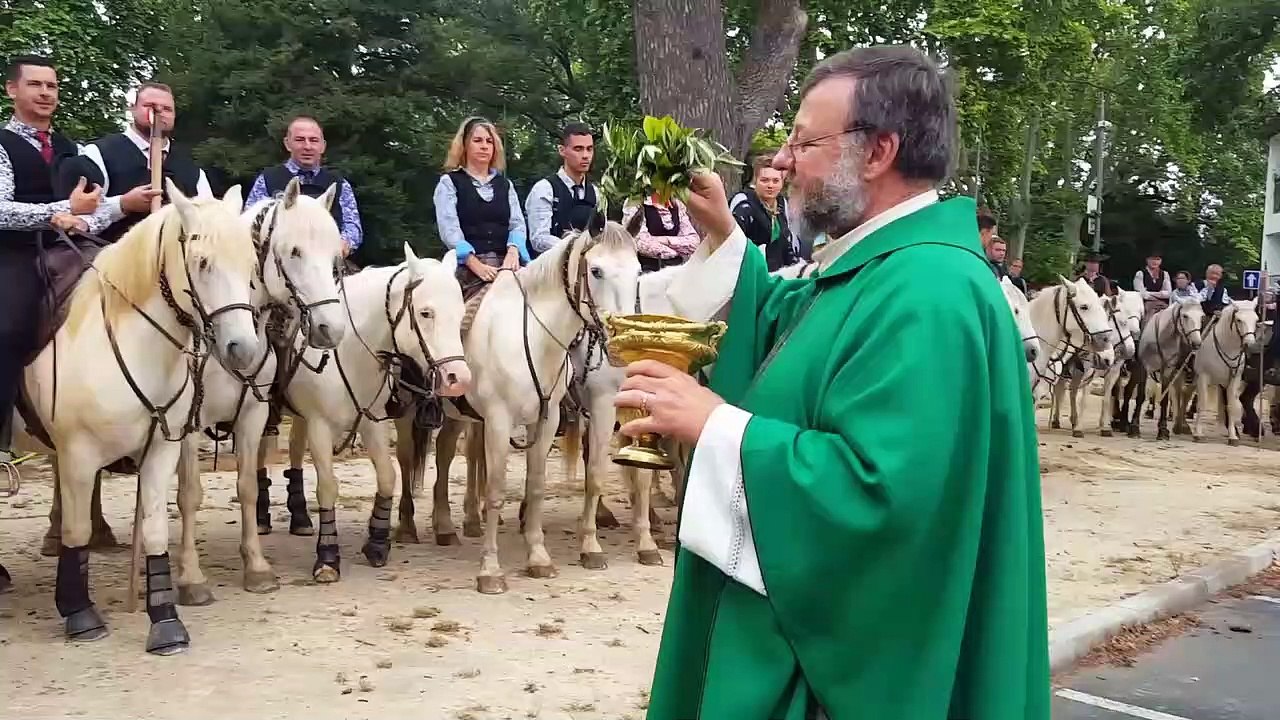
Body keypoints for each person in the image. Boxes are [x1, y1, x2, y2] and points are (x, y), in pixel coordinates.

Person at [618, 45, 1047, 719]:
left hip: (843, 680)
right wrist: (724, 234)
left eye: (803, 142)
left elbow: (882, 499)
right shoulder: (876, 269)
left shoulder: (929, 292)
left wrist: (713, 425)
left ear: (877, 152)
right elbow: (783, 330)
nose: (783, 161)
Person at [0, 55, 112, 590]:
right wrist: (54, 211)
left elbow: (90, 211)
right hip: (15, 256)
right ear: (12, 90)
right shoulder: (2, 144)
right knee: (6, 327)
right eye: (35, 84)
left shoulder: (72, 149)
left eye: (52, 85)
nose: (46, 93)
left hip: (71, 250)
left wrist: (116, 207)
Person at [59, 81, 209, 242]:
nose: (159, 112)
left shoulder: (191, 167)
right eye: (149, 106)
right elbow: (78, 213)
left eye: (167, 109)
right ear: (132, 109)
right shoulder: (99, 152)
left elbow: (207, 219)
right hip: (109, 251)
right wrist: (123, 204)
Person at [433, 116, 528, 296]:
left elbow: (517, 224)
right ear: (465, 145)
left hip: (508, 264)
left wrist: (513, 252)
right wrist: (475, 265)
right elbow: (449, 230)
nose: (484, 146)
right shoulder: (450, 182)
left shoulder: (505, 185)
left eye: (489, 141)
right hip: (469, 269)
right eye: (477, 141)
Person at [245, 115, 363, 259]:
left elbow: (352, 225)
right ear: (287, 144)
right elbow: (250, 223)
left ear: (322, 146)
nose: (307, 146)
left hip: (328, 263)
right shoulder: (267, 180)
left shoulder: (339, 184)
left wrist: (344, 243)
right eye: (300, 140)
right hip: (276, 265)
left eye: (313, 140)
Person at [525, 122, 598, 259]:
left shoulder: (595, 192)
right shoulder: (544, 189)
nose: (585, 155)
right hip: (549, 267)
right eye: (578, 149)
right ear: (562, 150)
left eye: (589, 149)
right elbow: (539, 239)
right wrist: (576, 247)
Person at [730, 153, 798, 271]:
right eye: (765, 180)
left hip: (778, 272)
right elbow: (733, 242)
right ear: (755, 180)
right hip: (750, 271)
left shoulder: (782, 203)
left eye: (775, 181)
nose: (770, 185)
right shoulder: (744, 202)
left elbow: (787, 242)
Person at [622, 193, 701, 273]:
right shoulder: (636, 203)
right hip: (648, 271)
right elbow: (640, 242)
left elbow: (693, 242)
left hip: (676, 270)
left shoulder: (676, 204)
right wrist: (676, 252)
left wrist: (665, 240)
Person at [1133, 250, 1171, 320]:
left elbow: (1168, 293)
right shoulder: (1140, 274)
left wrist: (1150, 293)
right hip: (1145, 304)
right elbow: (1141, 294)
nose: (1155, 262)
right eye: (1152, 259)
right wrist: (1160, 294)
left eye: (1158, 259)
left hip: (1162, 304)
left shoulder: (1165, 274)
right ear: (1147, 260)